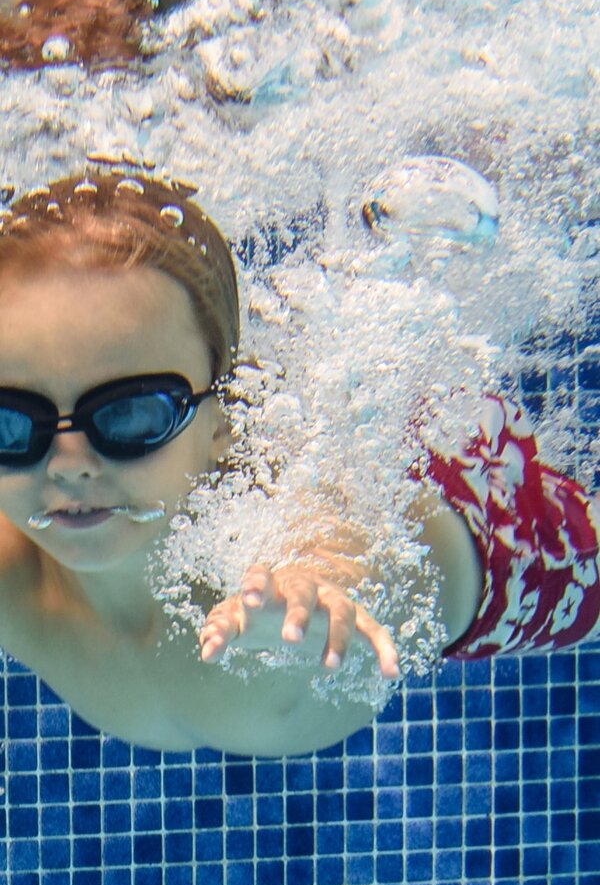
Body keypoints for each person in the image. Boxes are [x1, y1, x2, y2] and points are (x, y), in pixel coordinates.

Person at [0, 169, 597, 757]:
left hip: (488, 527)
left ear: (222, 421)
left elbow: (333, 538)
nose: (68, 463)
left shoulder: (278, 536)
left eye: (130, 414)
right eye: (11, 421)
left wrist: (320, 590)